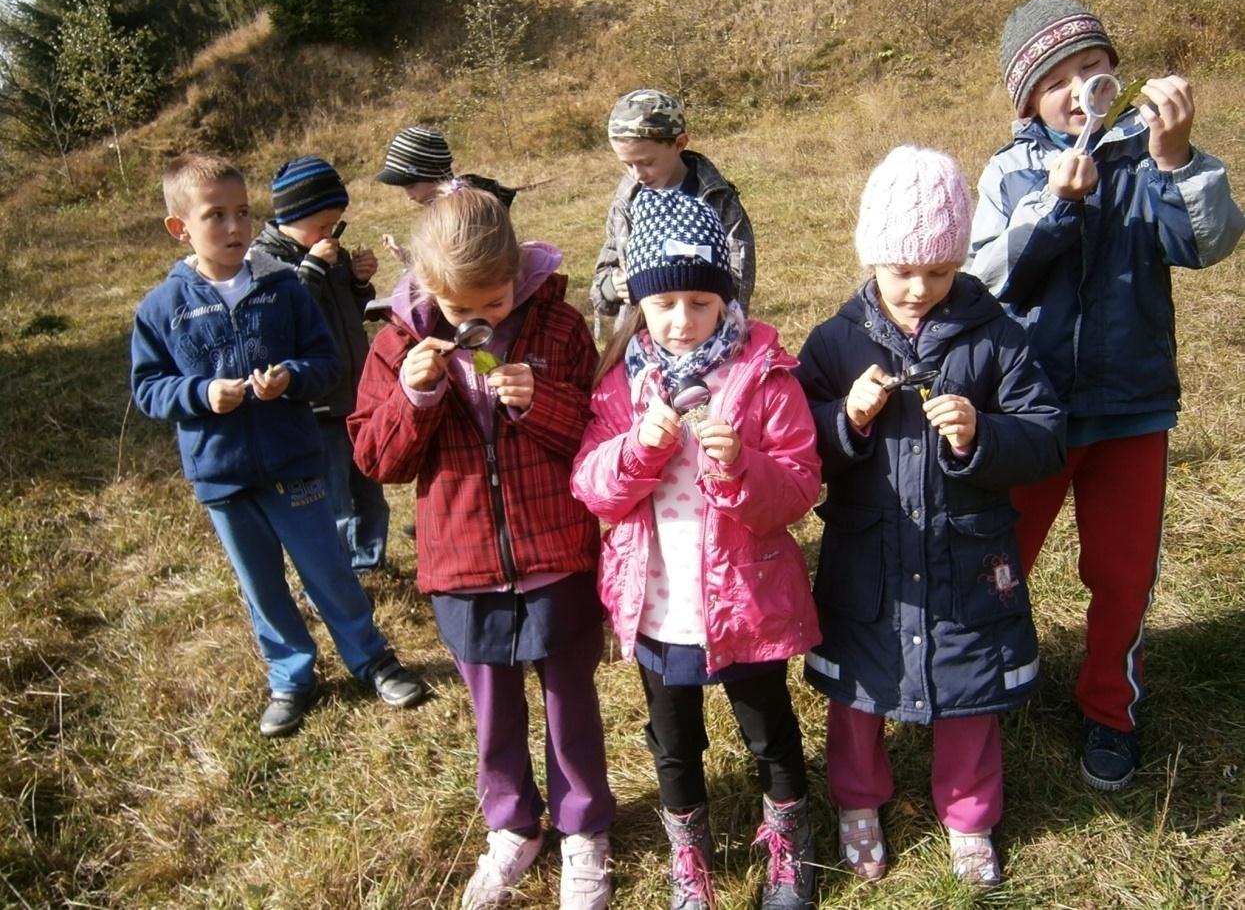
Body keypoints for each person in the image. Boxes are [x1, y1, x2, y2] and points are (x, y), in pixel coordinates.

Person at [967, 0, 1245, 792]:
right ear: (1027, 99)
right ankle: (985, 682)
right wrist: (1056, 204)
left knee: (1121, 575)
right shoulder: (1010, 170)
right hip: (1031, 412)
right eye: (1054, 78)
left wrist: (1177, 158)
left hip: (1131, 408)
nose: (1077, 86)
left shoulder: (1147, 154)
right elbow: (987, 278)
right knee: (998, 561)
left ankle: (1109, 708)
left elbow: (1206, 243)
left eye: (1091, 67)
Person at [796, 146, 1066, 887]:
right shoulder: (832, 341)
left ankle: (970, 816)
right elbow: (792, 439)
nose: (918, 288)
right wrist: (844, 418)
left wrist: (982, 434)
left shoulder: (996, 335)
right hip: (868, 562)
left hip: (965, 561)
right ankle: (856, 802)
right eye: (899, 270)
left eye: (938, 271)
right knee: (855, 692)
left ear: (960, 260)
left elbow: (1045, 434)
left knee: (969, 688)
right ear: (871, 257)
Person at [348, 188, 614, 909]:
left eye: (494, 304)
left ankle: (583, 828)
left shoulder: (556, 325)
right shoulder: (397, 342)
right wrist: (414, 398)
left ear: (518, 273)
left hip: (555, 549)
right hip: (462, 564)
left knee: (569, 699)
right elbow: (377, 459)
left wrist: (542, 401)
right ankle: (511, 824)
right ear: (428, 288)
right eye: (463, 309)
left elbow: (597, 432)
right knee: (491, 709)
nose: (479, 321)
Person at [572, 188, 821, 909]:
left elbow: (800, 484)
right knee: (673, 741)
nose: (682, 322)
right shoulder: (619, 383)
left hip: (746, 602)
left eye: (700, 303)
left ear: (725, 300)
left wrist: (742, 465)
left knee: (768, 729)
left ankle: (788, 843)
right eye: (664, 304)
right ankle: (691, 857)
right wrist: (635, 450)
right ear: (637, 306)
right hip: (658, 605)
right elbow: (592, 487)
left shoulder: (761, 373)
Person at [130, 154, 429, 739]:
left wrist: (290, 376)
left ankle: (372, 659)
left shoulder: (284, 289)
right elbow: (148, 389)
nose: (235, 227)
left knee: (329, 569)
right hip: (224, 476)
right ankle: (292, 677)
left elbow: (325, 362)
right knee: (260, 584)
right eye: (215, 215)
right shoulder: (161, 308)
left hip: (294, 462)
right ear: (180, 227)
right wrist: (199, 393)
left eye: (243, 212)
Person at [249, 155, 390, 571]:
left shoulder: (329, 253)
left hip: (355, 393)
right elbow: (282, 313)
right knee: (334, 494)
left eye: (335, 225)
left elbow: (350, 308)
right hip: (317, 403)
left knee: (368, 485)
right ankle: (339, 569)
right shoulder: (266, 262)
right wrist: (312, 268)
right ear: (294, 215)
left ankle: (370, 560)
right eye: (322, 225)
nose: (330, 233)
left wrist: (360, 281)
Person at [590, 89, 756, 338]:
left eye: (646, 163)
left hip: (701, 337)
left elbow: (738, 283)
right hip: (638, 344)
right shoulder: (627, 202)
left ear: (679, 144)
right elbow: (602, 280)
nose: (637, 174)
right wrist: (612, 286)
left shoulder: (717, 198)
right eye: (627, 164)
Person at [374, 125, 517, 267]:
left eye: (411, 186)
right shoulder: (454, 206)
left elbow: (462, 274)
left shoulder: (461, 216)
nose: (409, 196)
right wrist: (406, 257)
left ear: (431, 176)